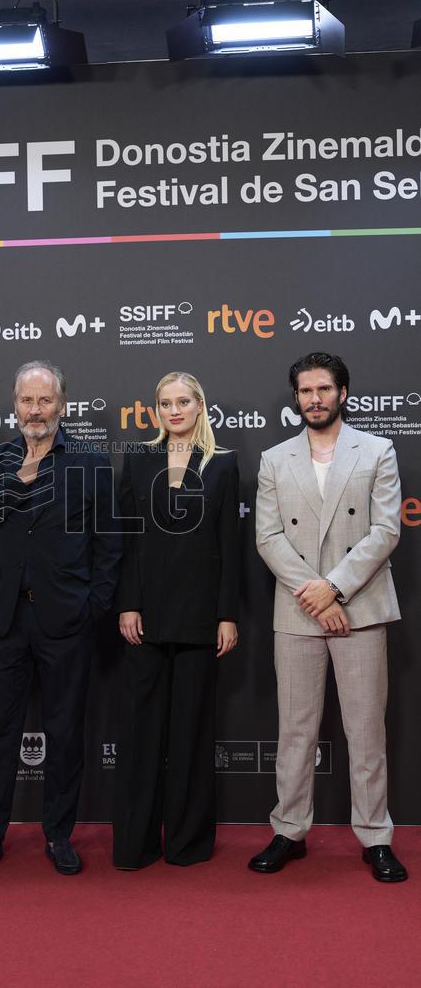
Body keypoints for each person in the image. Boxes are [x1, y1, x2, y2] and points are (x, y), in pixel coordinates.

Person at [0, 361, 122, 878]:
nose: (35, 410)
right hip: (5, 621)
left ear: (62, 406)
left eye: (44, 401)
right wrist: (17, 482)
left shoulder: (91, 465)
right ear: (15, 406)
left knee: (66, 733)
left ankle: (58, 835)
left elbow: (109, 545)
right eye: (26, 401)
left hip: (66, 620)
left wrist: (92, 606)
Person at [249, 352, 407, 882]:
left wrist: (334, 589)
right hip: (297, 613)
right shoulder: (275, 459)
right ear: (295, 397)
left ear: (342, 392)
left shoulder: (378, 450)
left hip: (358, 608)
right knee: (295, 731)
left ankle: (376, 837)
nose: (313, 399)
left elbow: (385, 531)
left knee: (365, 732)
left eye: (323, 389)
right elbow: (267, 536)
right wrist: (314, 595)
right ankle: (289, 830)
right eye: (305, 391)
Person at [112, 371, 239, 869]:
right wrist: (127, 602)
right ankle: (136, 844)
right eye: (166, 403)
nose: (175, 411)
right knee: (142, 735)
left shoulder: (224, 465)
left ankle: (187, 843)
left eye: (183, 401)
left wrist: (227, 614)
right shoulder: (139, 460)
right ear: (156, 411)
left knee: (190, 733)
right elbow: (126, 538)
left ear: (200, 405)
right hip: (143, 619)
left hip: (201, 619)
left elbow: (229, 546)